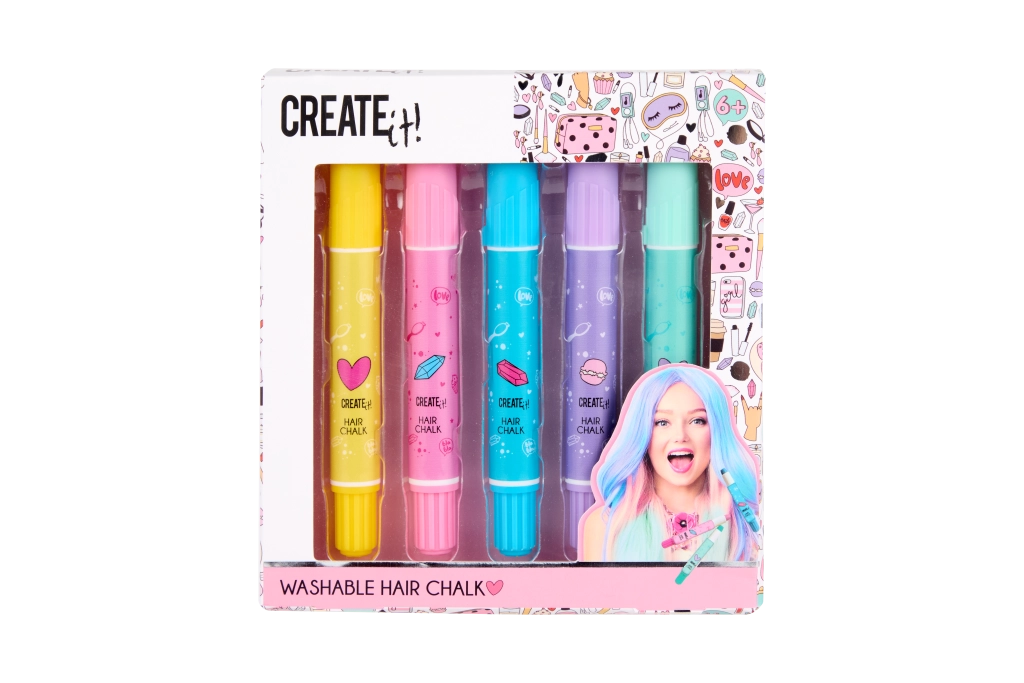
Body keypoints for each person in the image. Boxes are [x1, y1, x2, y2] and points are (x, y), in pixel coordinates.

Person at [581, 363, 760, 562]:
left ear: (717, 432)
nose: (680, 436)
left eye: (697, 421)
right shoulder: (605, 526)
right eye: (662, 422)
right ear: (642, 433)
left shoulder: (747, 528)